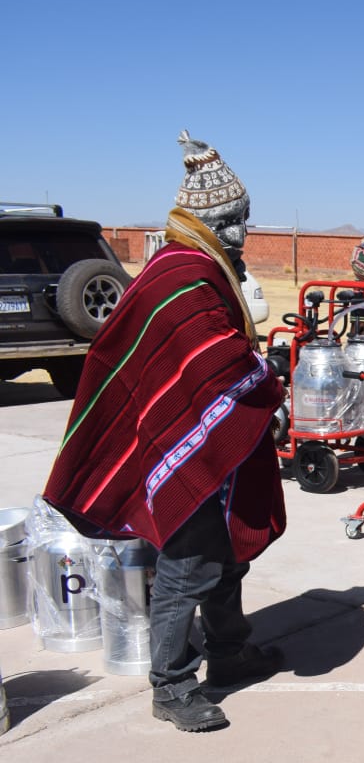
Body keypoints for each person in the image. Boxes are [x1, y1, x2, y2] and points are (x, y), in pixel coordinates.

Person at [43, 130, 286, 731]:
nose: (241, 232)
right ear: (205, 221)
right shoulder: (182, 273)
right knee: (187, 561)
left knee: (228, 551)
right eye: (231, 220)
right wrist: (261, 378)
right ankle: (171, 685)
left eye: (245, 219)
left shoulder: (200, 264)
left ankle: (228, 654)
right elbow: (206, 358)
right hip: (179, 442)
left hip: (205, 432)